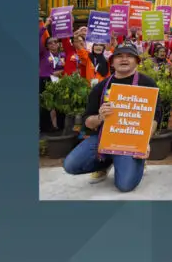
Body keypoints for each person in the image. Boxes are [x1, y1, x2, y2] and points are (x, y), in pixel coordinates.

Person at [62, 44, 157, 192]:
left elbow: (155, 118)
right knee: (70, 165)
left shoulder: (148, 84)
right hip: (102, 138)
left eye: (129, 56)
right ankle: (104, 163)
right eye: (119, 56)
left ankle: (137, 161)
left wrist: (145, 142)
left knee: (125, 185)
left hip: (131, 141)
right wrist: (100, 117)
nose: (124, 59)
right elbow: (87, 121)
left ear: (137, 61)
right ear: (112, 62)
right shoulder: (100, 87)